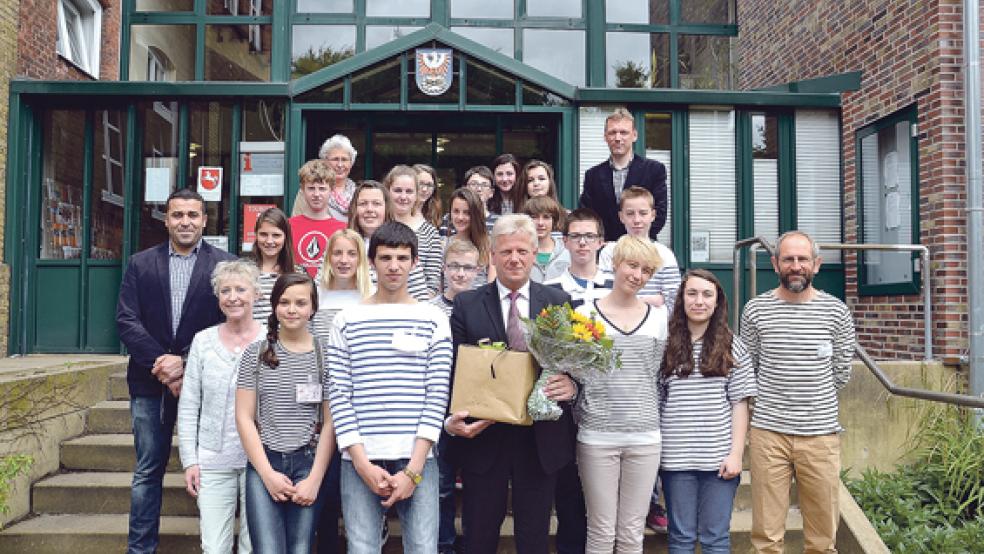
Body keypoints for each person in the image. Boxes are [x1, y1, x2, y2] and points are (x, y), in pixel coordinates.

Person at [446, 214, 578, 554]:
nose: (514, 259)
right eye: (506, 252)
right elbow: (456, 370)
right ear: (492, 255)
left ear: (535, 253)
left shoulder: (557, 301)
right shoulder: (467, 304)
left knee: (534, 538)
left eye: (522, 250)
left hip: (540, 440)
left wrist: (572, 387)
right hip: (485, 435)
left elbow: (574, 363)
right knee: (478, 535)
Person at [116, 187, 236, 553]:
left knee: (213, 471)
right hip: (149, 385)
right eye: (178, 215)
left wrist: (184, 362)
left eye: (193, 215)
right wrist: (164, 364)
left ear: (204, 219)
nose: (186, 221)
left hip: (203, 387)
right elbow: (126, 320)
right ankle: (140, 549)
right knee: (148, 470)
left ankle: (213, 545)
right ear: (166, 219)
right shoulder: (140, 263)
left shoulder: (223, 264)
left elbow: (226, 320)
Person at [327, 221, 452, 553]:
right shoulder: (347, 319)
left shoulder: (434, 318)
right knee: (362, 547)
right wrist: (361, 462)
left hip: (418, 456)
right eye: (385, 258)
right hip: (360, 456)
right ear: (371, 262)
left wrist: (413, 470)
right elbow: (339, 394)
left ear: (415, 262)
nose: (394, 266)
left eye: (402, 257)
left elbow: (437, 394)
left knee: (423, 547)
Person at [740, 230, 855, 554]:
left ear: (816, 264)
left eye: (802, 259)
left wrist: (811, 400)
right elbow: (751, 368)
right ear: (775, 263)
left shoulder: (836, 312)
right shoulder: (755, 310)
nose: (796, 265)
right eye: (788, 259)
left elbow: (841, 373)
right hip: (768, 434)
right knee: (766, 539)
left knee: (822, 538)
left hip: (820, 436)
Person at [574, 235, 668, 553]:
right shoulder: (586, 314)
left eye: (645, 270)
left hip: (644, 437)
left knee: (631, 533)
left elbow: (654, 374)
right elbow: (578, 373)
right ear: (615, 264)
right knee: (600, 530)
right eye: (632, 265)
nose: (637, 275)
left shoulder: (658, 318)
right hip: (597, 435)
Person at [235, 272, 336, 553]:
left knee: (300, 547)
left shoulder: (324, 355)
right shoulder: (256, 354)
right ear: (274, 306)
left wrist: (315, 479)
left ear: (313, 307)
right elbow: (244, 417)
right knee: (267, 547)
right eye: (284, 302)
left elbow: (330, 422)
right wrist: (266, 473)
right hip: (265, 460)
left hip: (308, 461)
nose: (292, 310)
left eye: (301, 303)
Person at [659, 269, 756, 554]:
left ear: (717, 303)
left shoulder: (733, 346)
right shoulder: (665, 346)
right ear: (681, 299)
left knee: (715, 538)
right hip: (675, 461)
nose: (699, 301)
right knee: (681, 538)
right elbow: (658, 399)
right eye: (692, 293)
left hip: (718, 462)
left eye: (706, 295)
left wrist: (736, 453)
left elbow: (740, 403)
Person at [177, 259, 266, 554]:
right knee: (214, 546)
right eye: (225, 290)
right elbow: (189, 405)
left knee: (253, 545)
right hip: (214, 462)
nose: (233, 297)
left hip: (260, 462)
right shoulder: (203, 342)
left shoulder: (272, 340)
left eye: (241, 289)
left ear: (256, 294)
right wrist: (190, 460)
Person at [310, 228, 373, 554]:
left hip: (358, 400)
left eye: (351, 254)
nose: (344, 260)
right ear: (328, 258)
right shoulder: (315, 297)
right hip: (319, 399)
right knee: (326, 482)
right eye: (338, 254)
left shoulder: (370, 296)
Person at [428, 238, 481, 553]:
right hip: (439, 410)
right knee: (442, 487)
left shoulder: (484, 306)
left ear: (478, 270)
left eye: (467, 268)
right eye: (454, 267)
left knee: (478, 486)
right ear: (443, 269)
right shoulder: (430, 310)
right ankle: (443, 545)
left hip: (476, 406)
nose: (460, 274)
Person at [579, 108, 667, 242]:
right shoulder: (593, 175)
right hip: (605, 249)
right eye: (612, 133)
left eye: (624, 132)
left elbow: (659, 213)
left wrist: (636, 241)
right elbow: (588, 215)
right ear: (605, 137)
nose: (618, 138)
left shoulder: (654, 170)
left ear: (634, 135)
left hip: (643, 248)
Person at [598, 186, 681, 313]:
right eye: (630, 214)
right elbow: (604, 293)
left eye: (643, 213)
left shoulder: (665, 254)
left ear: (653, 215)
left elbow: (674, 300)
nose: (637, 220)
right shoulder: (610, 251)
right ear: (621, 217)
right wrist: (650, 301)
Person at [386, 164, 442, 299]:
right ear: (387, 191)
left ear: (416, 194)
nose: (403, 197)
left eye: (409, 191)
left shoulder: (430, 233)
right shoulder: (376, 226)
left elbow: (432, 283)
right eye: (398, 190)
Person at [544, 208, 612, 309]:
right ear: (565, 241)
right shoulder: (548, 289)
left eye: (589, 236)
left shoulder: (616, 285)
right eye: (575, 236)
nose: (582, 242)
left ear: (600, 242)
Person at [290, 159, 347, 277]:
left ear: (331, 190)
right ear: (302, 189)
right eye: (311, 188)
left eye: (322, 188)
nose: (316, 194)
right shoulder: (288, 226)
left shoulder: (343, 229)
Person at [248, 207, 300, 322]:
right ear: (256, 235)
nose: (269, 241)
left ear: (285, 237)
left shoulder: (298, 273)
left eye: (276, 235)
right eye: (263, 234)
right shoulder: (245, 273)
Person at [292, 134, 358, 222]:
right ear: (325, 161)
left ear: (351, 163)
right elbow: (298, 223)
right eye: (335, 159)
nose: (340, 165)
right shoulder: (309, 191)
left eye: (344, 160)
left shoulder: (357, 193)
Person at [446, 188, 495, 289]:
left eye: (466, 213)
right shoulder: (443, 244)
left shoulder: (488, 244)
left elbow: (492, 287)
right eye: (456, 211)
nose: (460, 217)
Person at [522, 195, 570, 283]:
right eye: (534, 217)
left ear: (554, 221)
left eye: (546, 217)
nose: (540, 223)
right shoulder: (519, 251)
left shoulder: (567, 250)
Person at [463, 165, 497, 232]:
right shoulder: (452, 219)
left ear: (491, 193)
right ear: (464, 189)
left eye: (484, 185)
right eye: (474, 184)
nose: (479, 189)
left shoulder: (499, 222)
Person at [414, 163, 443, 229]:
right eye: (421, 183)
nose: (425, 189)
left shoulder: (434, 213)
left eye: (429, 185)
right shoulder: (402, 212)